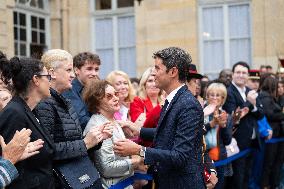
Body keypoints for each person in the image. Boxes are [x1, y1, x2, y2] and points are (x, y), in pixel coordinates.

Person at [113, 47, 205, 189]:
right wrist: (139, 130)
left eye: (157, 68)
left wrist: (138, 150)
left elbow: (179, 156)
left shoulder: (187, 105)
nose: (153, 73)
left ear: (173, 72)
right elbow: (169, 133)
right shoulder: (174, 99)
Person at [33, 49, 108, 188]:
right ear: (52, 73)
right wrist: (86, 143)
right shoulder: (44, 104)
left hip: (80, 175)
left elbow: (73, 140)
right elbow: (46, 151)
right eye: (68, 70)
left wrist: (96, 138)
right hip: (63, 181)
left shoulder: (65, 100)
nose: (73, 75)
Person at [0, 56, 54, 189]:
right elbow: (11, 161)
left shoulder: (29, 109)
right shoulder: (14, 112)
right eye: (48, 76)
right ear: (36, 79)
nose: (50, 82)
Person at [83, 80, 145, 189]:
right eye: (109, 96)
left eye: (116, 94)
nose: (116, 98)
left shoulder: (112, 120)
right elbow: (107, 168)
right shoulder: (99, 126)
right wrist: (136, 162)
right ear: (97, 102)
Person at [223, 61, 263, 189]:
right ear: (233, 74)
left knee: (247, 178)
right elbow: (233, 117)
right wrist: (249, 103)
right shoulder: (228, 92)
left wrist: (253, 107)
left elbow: (260, 114)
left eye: (244, 73)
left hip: (252, 142)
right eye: (238, 72)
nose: (241, 75)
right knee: (237, 182)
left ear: (247, 76)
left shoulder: (250, 90)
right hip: (237, 143)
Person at [203, 82, 232, 189]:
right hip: (203, 158)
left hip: (220, 158)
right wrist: (212, 124)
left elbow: (227, 141)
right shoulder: (201, 111)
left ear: (222, 98)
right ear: (207, 96)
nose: (214, 98)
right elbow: (196, 133)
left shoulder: (225, 115)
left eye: (218, 95)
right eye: (212, 94)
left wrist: (223, 125)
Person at [63, 52, 101, 130]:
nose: (94, 73)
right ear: (77, 70)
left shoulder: (94, 89)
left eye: (96, 69)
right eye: (89, 69)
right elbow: (82, 120)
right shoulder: (69, 90)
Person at [258, 75, 284, 188]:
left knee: (275, 164)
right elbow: (269, 114)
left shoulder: (269, 97)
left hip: (277, 136)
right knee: (269, 164)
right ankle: (266, 185)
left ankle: (274, 184)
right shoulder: (265, 98)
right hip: (271, 137)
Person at [129, 67, 163, 146]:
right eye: (150, 81)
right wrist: (160, 107)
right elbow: (140, 126)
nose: (154, 84)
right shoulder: (137, 101)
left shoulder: (164, 101)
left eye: (156, 80)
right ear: (144, 84)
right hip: (146, 147)